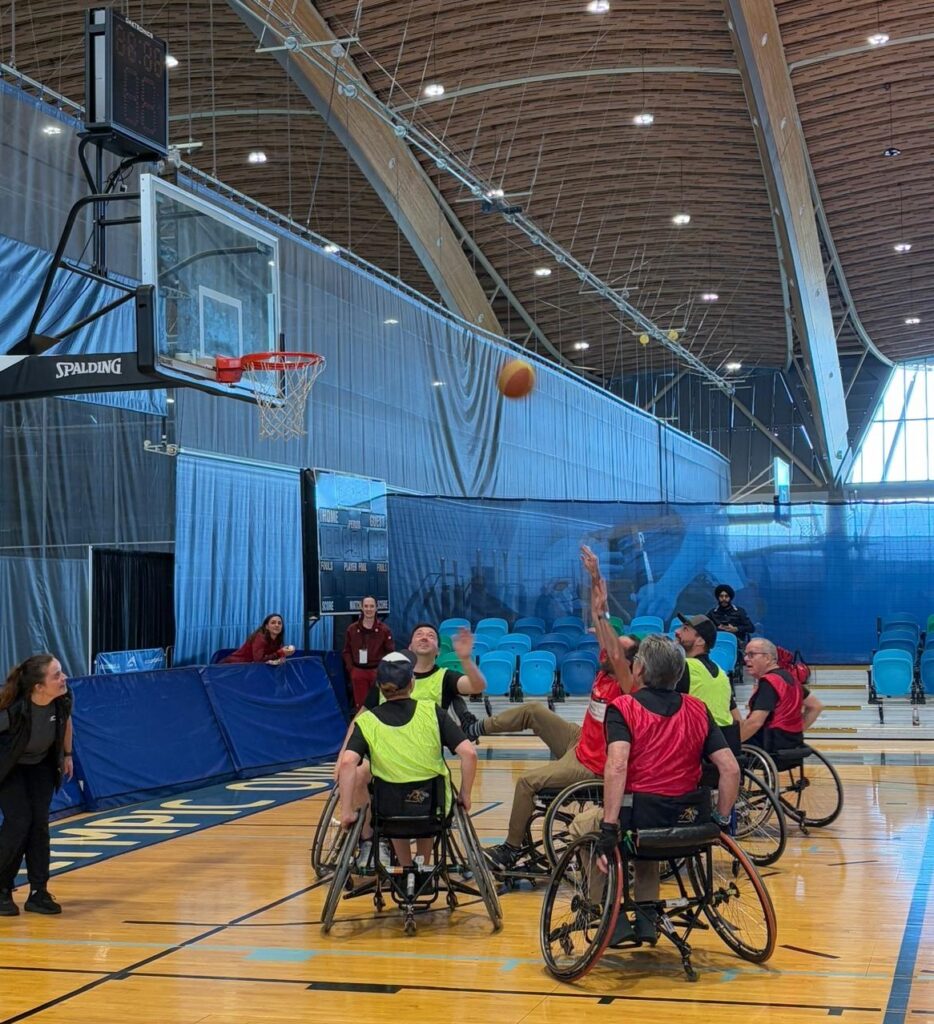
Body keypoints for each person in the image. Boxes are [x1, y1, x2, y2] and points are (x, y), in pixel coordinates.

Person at [479, 546, 639, 872]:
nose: (607, 651)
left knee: (526, 783)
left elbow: (612, 641)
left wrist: (604, 613)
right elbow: (598, 619)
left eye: (616, 650)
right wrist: (595, 578)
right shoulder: (604, 669)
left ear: (630, 662)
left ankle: (510, 849)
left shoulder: (628, 684)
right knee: (534, 711)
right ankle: (475, 729)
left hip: (592, 765)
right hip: (580, 741)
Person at [595, 634, 740, 943]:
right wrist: (722, 821)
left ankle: (612, 916)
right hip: (690, 822)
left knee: (588, 830)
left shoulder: (624, 707)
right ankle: (647, 920)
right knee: (649, 850)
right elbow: (730, 769)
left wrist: (608, 825)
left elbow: (617, 765)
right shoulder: (698, 708)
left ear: (640, 670)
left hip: (640, 819)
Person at [338, 650, 477, 866]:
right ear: (412, 683)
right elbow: (469, 753)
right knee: (428, 803)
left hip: (389, 811)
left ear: (380, 687)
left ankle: (405, 869)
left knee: (393, 802)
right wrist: (465, 794)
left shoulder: (367, 721)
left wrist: (346, 811)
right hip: (432, 806)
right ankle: (423, 865)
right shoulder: (432, 711)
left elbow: (347, 763)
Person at [0, 654, 74, 917]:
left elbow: (66, 722)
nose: (63, 678)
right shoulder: (13, 709)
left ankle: (38, 892)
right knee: (19, 821)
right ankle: (2, 888)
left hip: (41, 765)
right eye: (56, 675)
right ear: (38, 687)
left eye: (61, 672)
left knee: (39, 824)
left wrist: (67, 754)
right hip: (10, 768)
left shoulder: (62, 698)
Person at [740, 638, 824, 752]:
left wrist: (733, 745)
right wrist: (797, 730)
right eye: (745, 654)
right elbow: (816, 706)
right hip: (793, 743)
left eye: (751, 655)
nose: (746, 659)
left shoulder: (769, 682)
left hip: (770, 743)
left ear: (768, 658)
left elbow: (755, 722)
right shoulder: (790, 678)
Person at [674, 613, 741, 754]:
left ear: (700, 641)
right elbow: (736, 717)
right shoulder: (722, 673)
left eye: (685, 629)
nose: (677, 632)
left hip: (697, 747)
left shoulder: (684, 667)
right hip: (726, 744)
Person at [342, 597, 395, 709]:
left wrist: (383, 671)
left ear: (376, 608)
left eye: (371, 606)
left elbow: (390, 652)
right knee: (361, 707)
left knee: (380, 705)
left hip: (377, 673)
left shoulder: (384, 630)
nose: (368, 609)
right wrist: (352, 669)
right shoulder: (351, 629)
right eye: (366, 606)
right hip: (359, 672)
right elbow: (346, 651)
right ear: (361, 607)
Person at [222, 613, 295, 664]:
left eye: (279, 623)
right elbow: (259, 661)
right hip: (232, 667)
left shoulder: (277, 639)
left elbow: (274, 656)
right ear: (267, 626)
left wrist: (283, 655)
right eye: (273, 623)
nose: (277, 625)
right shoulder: (260, 637)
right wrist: (281, 653)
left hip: (249, 669)